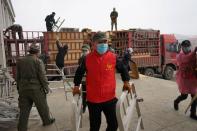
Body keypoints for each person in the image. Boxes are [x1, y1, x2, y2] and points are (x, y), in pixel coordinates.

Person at [73, 32, 131, 131]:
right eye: (100, 42)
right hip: (93, 100)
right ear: (93, 44)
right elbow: (79, 72)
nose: (103, 44)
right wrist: (76, 86)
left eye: (105, 41)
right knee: (95, 127)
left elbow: (123, 69)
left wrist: (126, 82)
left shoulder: (113, 57)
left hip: (110, 98)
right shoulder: (87, 58)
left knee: (114, 124)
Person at [16, 44, 55, 131]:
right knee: (42, 106)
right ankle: (47, 121)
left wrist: (19, 87)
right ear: (37, 52)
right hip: (36, 89)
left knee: (24, 110)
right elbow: (42, 76)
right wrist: (46, 87)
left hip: (23, 88)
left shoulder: (20, 61)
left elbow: (17, 76)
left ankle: (21, 128)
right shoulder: (37, 61)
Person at [174, 40, 197, 120]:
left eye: (188, 46)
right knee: (184, 96)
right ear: (182, 48)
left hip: (192, 78)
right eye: (184, 47)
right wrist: (194, 51)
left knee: (194, 96)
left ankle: (192, 113)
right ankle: (176, 101)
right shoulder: (180, 56)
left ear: (190, 46)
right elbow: (187, 58)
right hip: (184, 79)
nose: (186, 48)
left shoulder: (194, 54)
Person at [78, 44, 91, 113]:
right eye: (83, 51)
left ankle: (91, 109)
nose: (84, 52)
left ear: (89, 51)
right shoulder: (81, 59)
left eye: (85, 51)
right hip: (84, 80)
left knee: (91, 95)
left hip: (91, 81)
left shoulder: (92, 58)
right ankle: (84, 106)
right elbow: (80, 70)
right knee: (84, 94)